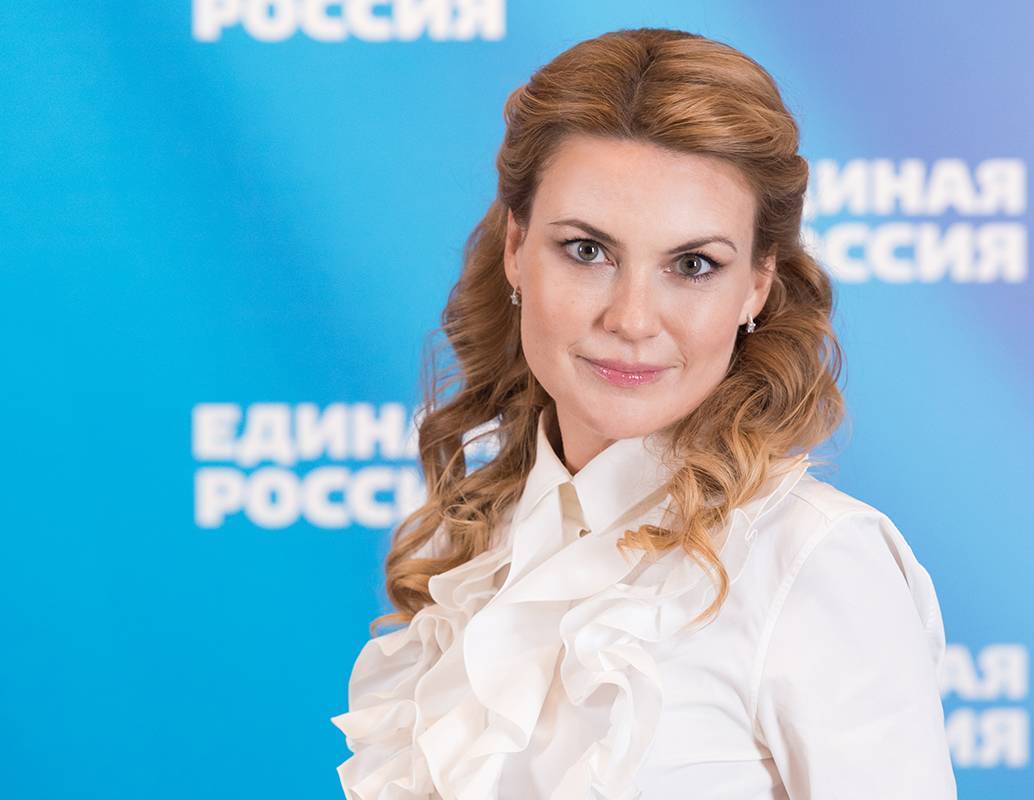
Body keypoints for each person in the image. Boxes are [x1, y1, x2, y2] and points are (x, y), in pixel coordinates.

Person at [331, 27, 957, 800]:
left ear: (757, 285)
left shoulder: (814, 562)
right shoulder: (477, 545)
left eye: (692, 265)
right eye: (587, 251)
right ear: (517, 249)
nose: (631, 318)